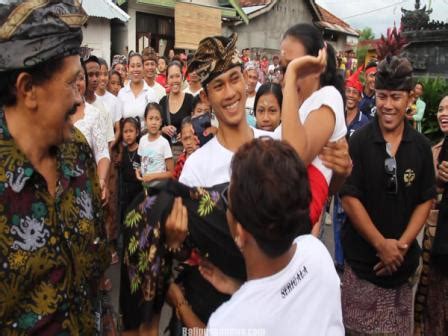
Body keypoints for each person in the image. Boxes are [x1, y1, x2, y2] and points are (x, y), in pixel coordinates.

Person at [166, 31, 351, 329]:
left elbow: (311, 200)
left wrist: (340, 171)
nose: (229, 93)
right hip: (220, 306)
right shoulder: (196, 169)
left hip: (287, 298)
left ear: (246, 81)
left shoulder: (275, 143)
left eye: (235, 78)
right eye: (218, 85)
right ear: (206, 97)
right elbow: (188, 253)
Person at [0, 1, 109, 334]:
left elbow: (96, 275)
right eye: (72, 82)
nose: (81, 98)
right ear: (28, 89)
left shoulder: (77, 151)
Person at [205, 138, 344, 335]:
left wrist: (179, 303)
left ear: (241, 233)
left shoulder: (226, 324)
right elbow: (285, 305)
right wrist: (239, 289)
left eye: (227, 197)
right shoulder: (316, 252)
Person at [340, 56, 436, 335]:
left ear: (409, 99)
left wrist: (401, 247)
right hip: (362, 267)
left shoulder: (420, 147)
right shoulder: (357, 141)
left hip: (401, 271)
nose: (388, 105)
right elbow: (349, 197)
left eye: (396, 97)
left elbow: (425, 199)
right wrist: (380, 244)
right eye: (382, 96)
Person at [414, 95, 448, 336]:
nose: (443, 113)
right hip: (436, 241)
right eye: (440, 109)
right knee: (431, 305)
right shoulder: (435, 150)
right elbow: (425, 193)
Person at [332, 67, 370, 271]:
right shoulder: (337, 117)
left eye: (355, 92)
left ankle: (350, 263)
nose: (351, 96)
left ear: (360, 95)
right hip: (339, 181)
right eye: (348, 91)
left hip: (356, 182)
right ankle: (339, 263)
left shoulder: (364, 123)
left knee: (354, 222)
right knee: (338, 220)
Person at [71, 61, 111, 205]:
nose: (77, 83)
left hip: (86, 187)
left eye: (81, 78)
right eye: (72, 79)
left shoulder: (93, 114)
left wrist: (100, 181)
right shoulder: (54, 114)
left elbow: (102, 154)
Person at [159, 61, 194, 159]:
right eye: (171, 77)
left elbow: (196, 124)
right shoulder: (162, 102)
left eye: (177, 76)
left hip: (187, 153)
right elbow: (157, 127)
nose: (175, 80)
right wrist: (163, 129)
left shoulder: (190, 99)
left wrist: (186, 132)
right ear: (166, 80)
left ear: (182, 77)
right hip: (167, 155)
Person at [117, 52, 157, 130]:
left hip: (146, 139)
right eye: (132, 66)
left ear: (143, 68)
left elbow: (156, 120)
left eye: (138, 66)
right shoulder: (122, 93)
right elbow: (118, 120)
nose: (135, 69)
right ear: (128, 68)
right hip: (127, 139)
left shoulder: (151, 92)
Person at [136, 103, 174, 185]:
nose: (154, 122)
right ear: (145, 121)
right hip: (146, 188)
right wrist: (138, 170)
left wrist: (152, 176)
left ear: (161, 122)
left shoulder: (164, 143)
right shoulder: (142, 140)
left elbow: (171, 173)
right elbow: (143, 164)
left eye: (157, 119)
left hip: (160, 189)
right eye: (151, 118)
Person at [83, 55, 115, 146]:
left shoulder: (104, 109)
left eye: (97, 74)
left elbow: (108, 142)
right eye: (90, 75)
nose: (95, 79)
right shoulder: (73, 106)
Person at [96, 58, 122, 138]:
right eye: (99, 74)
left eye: (105, 74)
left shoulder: (114, 100)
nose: (103, 78)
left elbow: (118, 130)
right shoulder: (88, 98)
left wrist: (110, 147)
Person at [243, 62, 259, 127]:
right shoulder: (235, 98)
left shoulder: (259, 98)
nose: (252, 81)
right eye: (249, 77)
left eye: (254, 78)